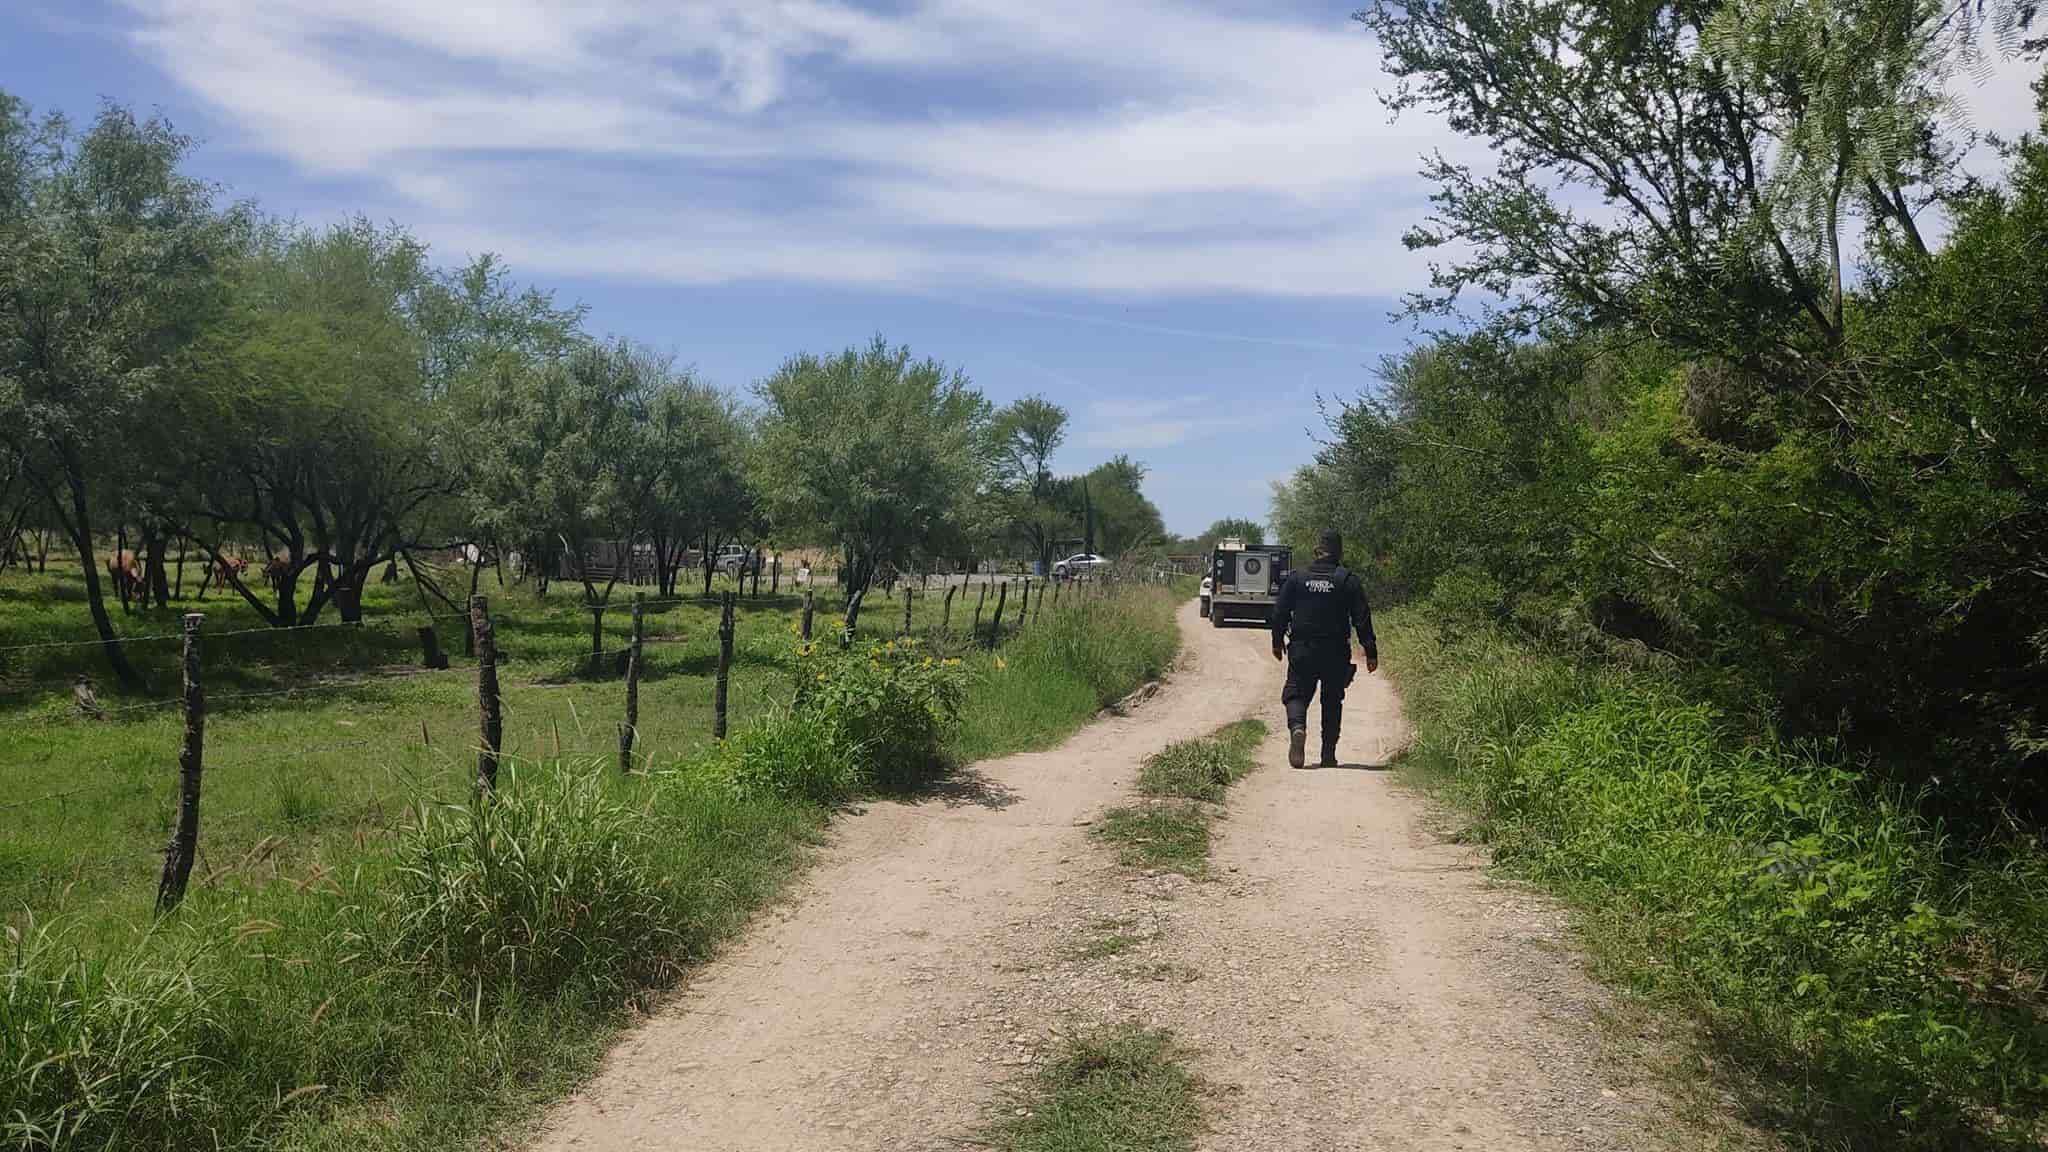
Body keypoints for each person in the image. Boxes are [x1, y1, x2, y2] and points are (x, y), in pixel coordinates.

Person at [1270, 529, 1378, 769]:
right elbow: (1362, 617)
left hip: (1302, 648)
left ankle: (1297, 727)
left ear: (1317, 550)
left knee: (1295, 693)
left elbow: (1279, 612)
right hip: (1335, 651)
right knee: (1332, 701)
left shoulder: (1297, 578)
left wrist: (1277, 641)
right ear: (1339, 552)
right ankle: (1328, 756)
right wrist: (1370, 651)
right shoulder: (1347, 579)